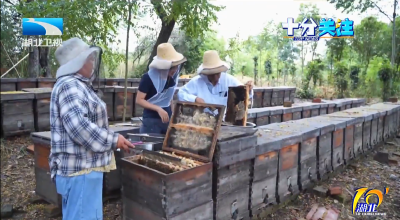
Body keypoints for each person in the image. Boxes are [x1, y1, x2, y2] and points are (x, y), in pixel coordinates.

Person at [49, 37, 134, 220]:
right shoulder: (70, 86)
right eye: (89, 58)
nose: (93, 62)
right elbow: (79, 127)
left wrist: (113, 139)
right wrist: (113, 140)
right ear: (78, 63)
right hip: (80, 171)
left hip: (83, 171)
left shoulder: (76, 85)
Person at [136, 43, 187, 134]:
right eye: (171, 68)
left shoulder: (172, 77)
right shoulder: (148, 78)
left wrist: (173, 115)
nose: (174, 70)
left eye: (175, 67)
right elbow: (139, 100)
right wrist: (158, 109)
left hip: (167, 119)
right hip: (151, 121)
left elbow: (169, 98)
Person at [177, 50, 253, 111]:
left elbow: (245, 95)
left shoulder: (229, 80)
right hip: (202, 120)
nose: (216, 77)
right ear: (206, 73)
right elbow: (181, 93)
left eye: (218, 73)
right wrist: (195, 99)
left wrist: (248, 89)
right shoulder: (197, 82)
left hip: (225, 122)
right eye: (212, 75)